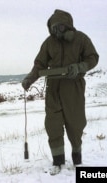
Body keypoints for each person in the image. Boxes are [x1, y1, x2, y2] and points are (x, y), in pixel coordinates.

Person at [22, 9, 98, 174]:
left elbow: (93, 58)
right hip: (53, 88)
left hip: (74, 87)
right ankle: (58, 162)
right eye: (54, 27)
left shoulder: (81, 39)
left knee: (75, 124)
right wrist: (29, 79)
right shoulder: (49, 42)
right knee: (53, 124)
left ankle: (77, 160)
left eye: (60, 27)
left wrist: (79, 67)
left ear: (68, 25)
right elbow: (39, 64)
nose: (57, 30)